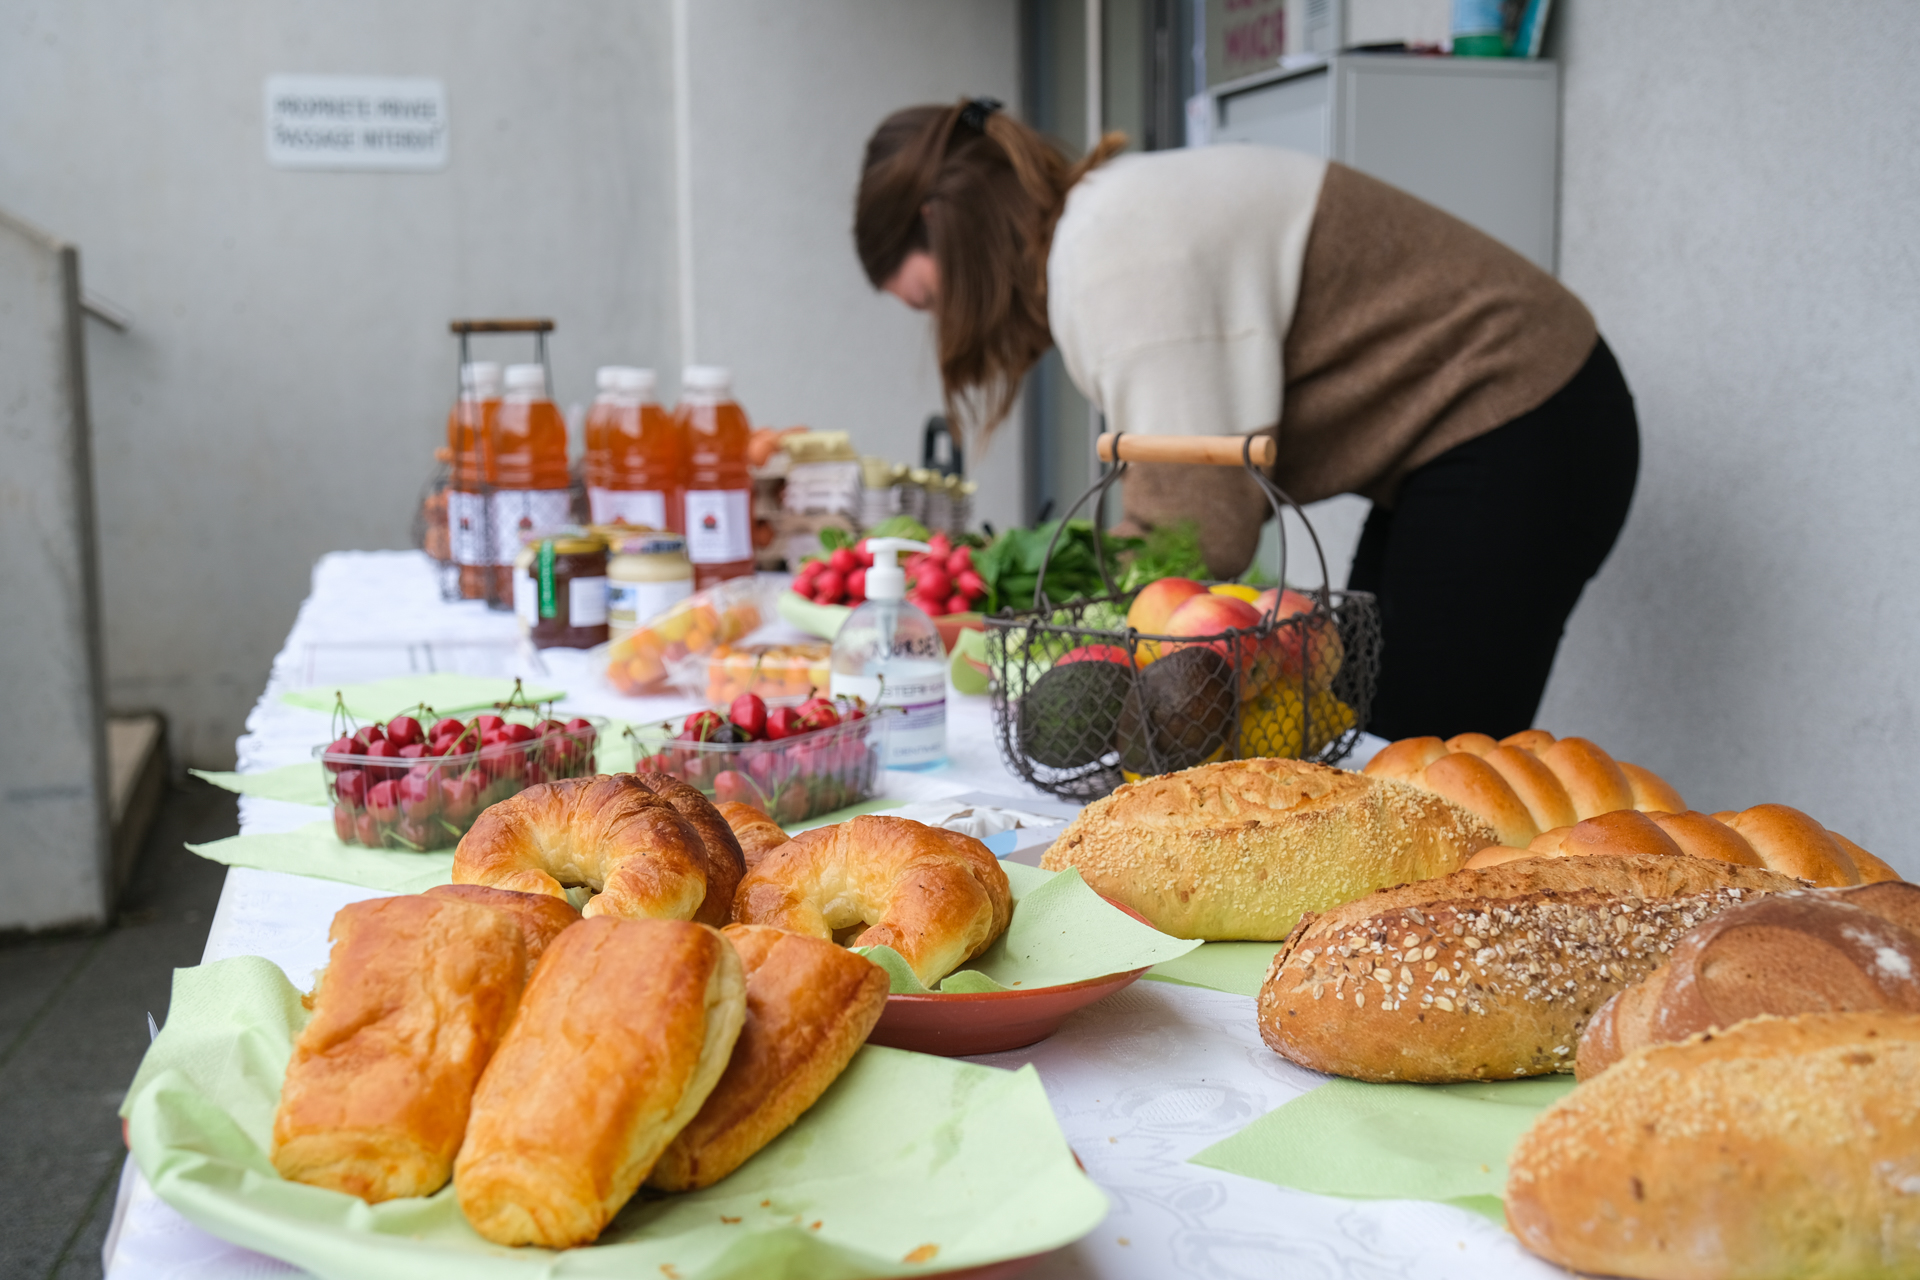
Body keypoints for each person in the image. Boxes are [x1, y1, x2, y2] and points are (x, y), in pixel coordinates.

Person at [854, 97, 1637, 741]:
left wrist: (1061, 643)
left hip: (1528, 414)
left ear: (941, 221)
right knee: (1369, 720)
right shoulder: (1105, 226)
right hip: (1500, 422)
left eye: (929, 301)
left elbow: (1196, 532)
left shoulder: (1114, 253)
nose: (948, 327)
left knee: (1421, 754)